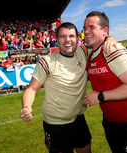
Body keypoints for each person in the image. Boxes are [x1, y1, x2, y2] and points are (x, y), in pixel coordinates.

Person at [20, 22, 92, 153]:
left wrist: (110, 38)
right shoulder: (47, 61)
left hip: (79, 118)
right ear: (57, 40)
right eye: (62, 36)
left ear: (78, 39)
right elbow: (31, 89)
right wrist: (26, 107)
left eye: (71, 36)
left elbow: (100, 41)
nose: (67, 40)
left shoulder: (83, 52)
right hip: (55, 124)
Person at [82, 11, 127, 153]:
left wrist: (99, 96)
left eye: (91, 27)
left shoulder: (113, 50)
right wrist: (110, 37)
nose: (86, 31)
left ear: (104, 31)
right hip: (110, 121)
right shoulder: (90, 53)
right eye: (84, 28)